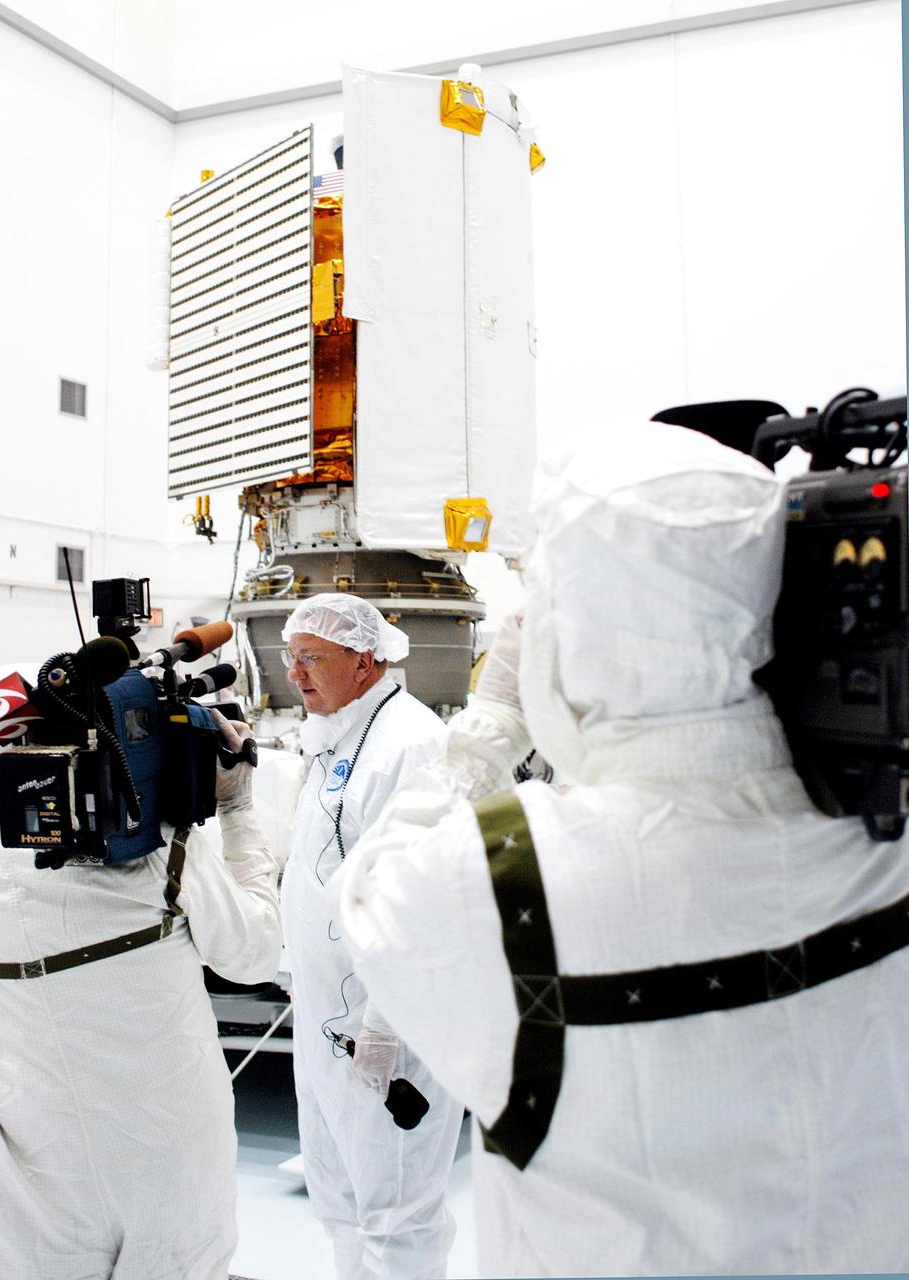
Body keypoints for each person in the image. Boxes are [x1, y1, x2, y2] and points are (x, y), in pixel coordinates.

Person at [335, 421, 909, 1277]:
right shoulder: (878, 828)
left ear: (580, 628)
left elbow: (372, 891)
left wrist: (491, 725)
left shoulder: (507, 876)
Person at [0, 663, 282, 1280]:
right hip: (168, 1170)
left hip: (23, 1186)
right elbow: (255, 955)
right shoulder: (156, 860)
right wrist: (239, 808)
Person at [279, 594, 463, 1280]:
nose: (294, 674)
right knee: (342, 1200)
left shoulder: (410, 744)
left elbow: (428, 896)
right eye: (289, 657)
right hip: (328, 1019)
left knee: (397, 1210)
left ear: (362, 661)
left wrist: (384, 1023)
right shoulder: (332, 733)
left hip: (389, 1030)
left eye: (311, 658)